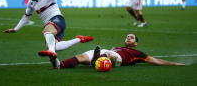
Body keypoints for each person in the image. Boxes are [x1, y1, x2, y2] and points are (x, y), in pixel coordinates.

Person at [4, 0, 94, 63]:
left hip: (57, 19)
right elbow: (26, 17)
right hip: (51, 25)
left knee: (47, 32)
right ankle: (78, 40)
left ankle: (51, 51)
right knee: (54, 46)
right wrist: (16, 29)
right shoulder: (31, 4)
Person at [52, 33, 185, 69]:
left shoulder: (137, 53)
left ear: (136, 43)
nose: (128, 38)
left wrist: (174, 64)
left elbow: (155, 61)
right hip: (107, 51)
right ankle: (59, 65)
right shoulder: (117, 47)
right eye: (127, 36)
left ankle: (97, 59)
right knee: (81, 57)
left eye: (131, 37)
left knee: (109, 55)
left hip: (117, 58)